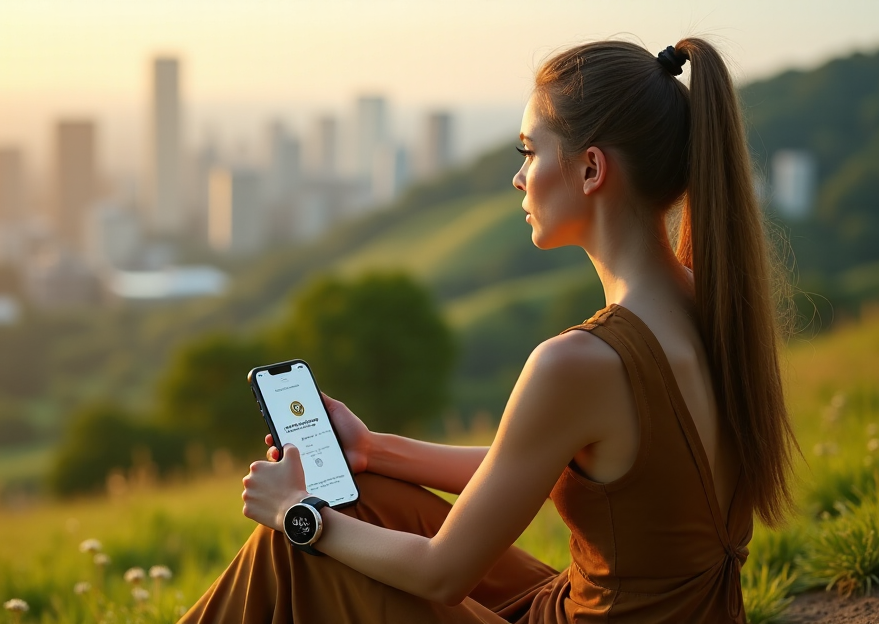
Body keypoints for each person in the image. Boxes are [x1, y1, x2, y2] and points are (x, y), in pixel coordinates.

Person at [181, 37, 797, 623]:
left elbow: (442, 575)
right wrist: (375, 449)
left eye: (529, 151)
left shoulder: (582, 363)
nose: (519, 177)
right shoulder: (711, 306)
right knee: (364, 492)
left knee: (295, 547)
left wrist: (295, 514)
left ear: (590, 171)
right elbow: (534, 460)